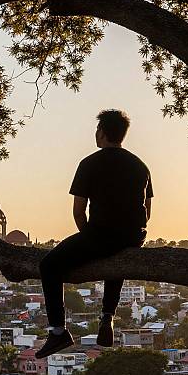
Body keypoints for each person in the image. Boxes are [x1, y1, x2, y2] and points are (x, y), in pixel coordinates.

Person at [35, 109, 153, 359]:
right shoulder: (140, 166)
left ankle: (58, 331)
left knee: (48, 266)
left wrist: (91, 239)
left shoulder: (89, 163)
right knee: (117, 259)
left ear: (101, 133)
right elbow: (147, 211)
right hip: (134, 237)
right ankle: (107, 318)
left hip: (101, 235)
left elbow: (79, 213)